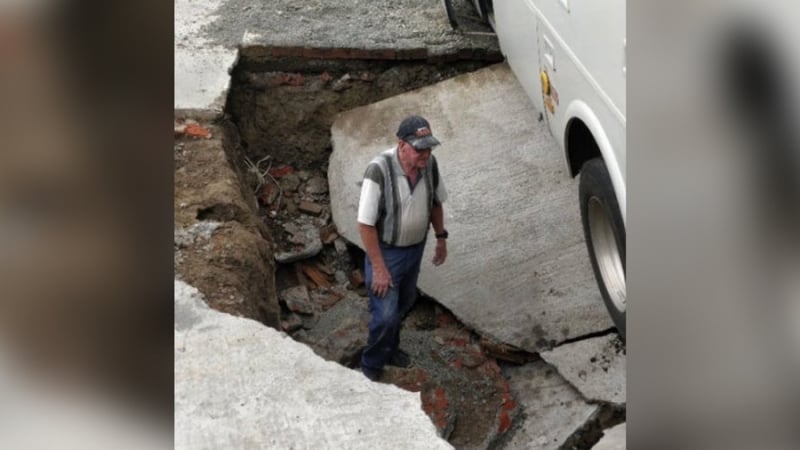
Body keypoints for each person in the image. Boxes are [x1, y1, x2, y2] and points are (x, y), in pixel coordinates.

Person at [357, 115, 449, 381]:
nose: (425, 154)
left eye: (429, 147)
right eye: (420, 148)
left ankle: (390, 348)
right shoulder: (379, 170)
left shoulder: (429, 165)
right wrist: (379, 268)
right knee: (385, 315)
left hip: (415, 249)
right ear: (402, 145)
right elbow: (365, 224)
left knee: (404, 302)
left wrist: (441, 237)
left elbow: (435, 203)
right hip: (386, 253)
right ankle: (370, 367)